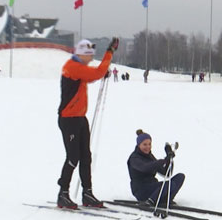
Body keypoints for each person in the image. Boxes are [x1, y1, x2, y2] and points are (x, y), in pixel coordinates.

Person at [56, 37, 119, 209]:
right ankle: (63, 193)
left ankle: (87, 193)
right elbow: (96, 73)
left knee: (86, 156)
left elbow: (92, 76)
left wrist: (102, 69)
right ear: (81, 55)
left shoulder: (79, 68)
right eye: (89, 55)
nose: (91, 59)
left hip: (80, 118)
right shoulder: (72, 67)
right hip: (69, 119)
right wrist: (109, 53)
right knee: (73, 157)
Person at [127, 129, 185, 207]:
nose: (148, 147)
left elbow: (166, 173)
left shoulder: (149, 156)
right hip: (141, 190)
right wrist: (162, 161)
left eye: (149, 144)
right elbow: (144, 167)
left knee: (180, 177)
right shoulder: (134, 158)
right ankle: (150, 201)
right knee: (169, 184)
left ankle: (165, 200)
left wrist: (169, 158)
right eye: (144, 144)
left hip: (152, 187)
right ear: (138, 145)